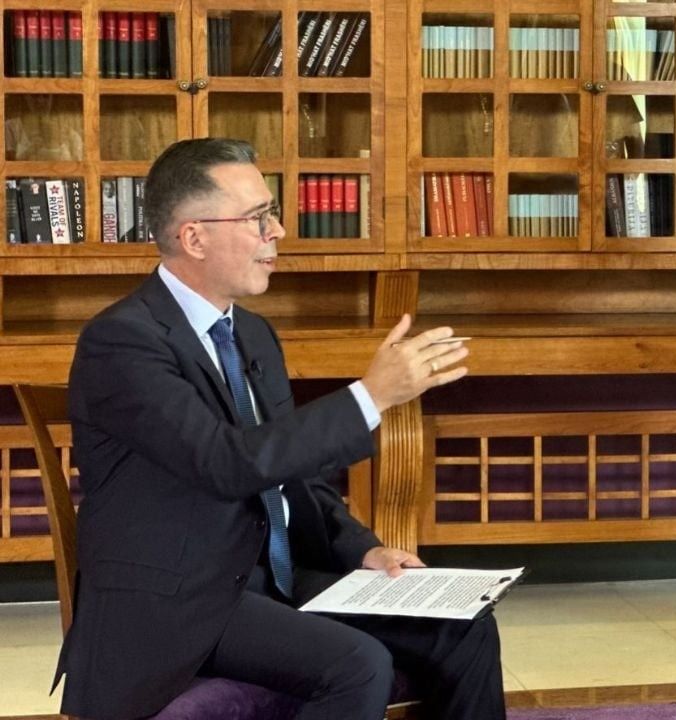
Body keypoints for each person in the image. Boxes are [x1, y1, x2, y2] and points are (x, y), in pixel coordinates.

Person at [59, 138, 506, 720]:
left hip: (273, 579)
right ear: (194, 237)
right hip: (177, 601)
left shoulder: (252, 333)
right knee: (357, 664)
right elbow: (226, 464)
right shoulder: (122, 341)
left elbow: (296, 477)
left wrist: (364, 550)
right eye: (258, 217)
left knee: (465, 626)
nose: (278, 231)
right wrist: (371, 395)